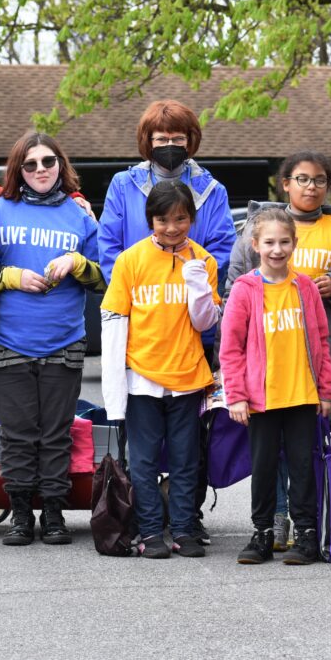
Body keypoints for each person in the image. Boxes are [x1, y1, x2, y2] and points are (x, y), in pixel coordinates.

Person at [99, 99, 236, 544]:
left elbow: (222, 248)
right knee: (142, 448)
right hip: (141, 327)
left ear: (191, 140)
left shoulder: (211, 189)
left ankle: (186, 520)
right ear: (147, 142)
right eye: (162, 140)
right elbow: (108, 248)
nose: (170, 146)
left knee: (188, 446)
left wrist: (188, 280)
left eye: (178, 139)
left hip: (191, 330)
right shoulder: (123, 184)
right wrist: (147, 287)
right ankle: (146, 524)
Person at [0, 132, 104, 547]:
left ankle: (53, 511)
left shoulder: (80, 216)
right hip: (8, 340)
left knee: (56, 432)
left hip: (64, 339)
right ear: (18, 169)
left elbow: (103, 279)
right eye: (31, 163)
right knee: (18, 432)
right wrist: (9, 277)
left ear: (61, 165)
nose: (41, 170)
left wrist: (76, 262)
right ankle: (20, 514)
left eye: (48, 162)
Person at [221, 209, 331, 566]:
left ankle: (306, 535)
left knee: (303, 467)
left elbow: (321, 339)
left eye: (284, 241)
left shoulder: (305, 288)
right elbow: (231, 347)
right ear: (255, 245)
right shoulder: (244, 290)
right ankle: (263, 534)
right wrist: (236, 395)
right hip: (261, 399)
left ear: (294, 244)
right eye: (269, 242)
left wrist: (326, 390)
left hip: (302, 395)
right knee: (264, 467)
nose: (277, 249)